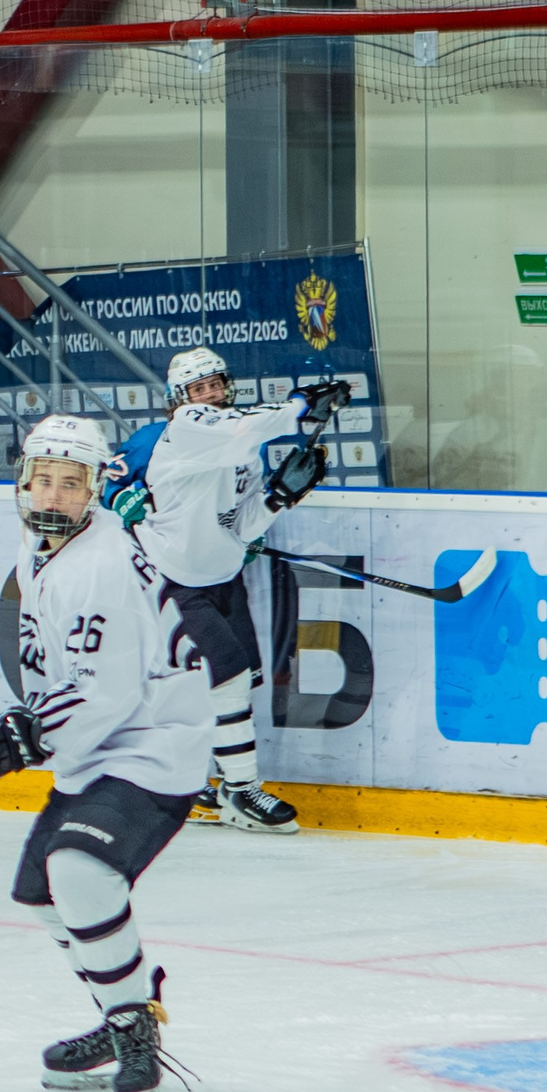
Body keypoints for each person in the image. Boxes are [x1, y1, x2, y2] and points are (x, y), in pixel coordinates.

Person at [0, 415, 209, 1092]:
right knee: (43, 892)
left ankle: (132, 1029)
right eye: (44, 479)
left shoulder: (101, 565)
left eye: (72, 483)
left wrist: (23, 736)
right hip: (100, 743)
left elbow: (107, 692)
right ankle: (124, 1008)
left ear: (94, 491)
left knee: (81, 871)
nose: (54, 496)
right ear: (24, 479)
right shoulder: (46, 544)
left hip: (153, 743)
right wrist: (18, 729)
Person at [100, 347, 347, 833]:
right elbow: (108, 480)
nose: (211, 395)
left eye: (217, 384)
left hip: (220, 577)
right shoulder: (184, 429)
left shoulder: (241, 447)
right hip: (169, 579)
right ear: (179, 399)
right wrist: (299, 405)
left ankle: (199, 782)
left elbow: (241, 519)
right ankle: (240, 790)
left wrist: (279, 498)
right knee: (226, 676)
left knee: (231, 684)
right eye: (199, 388)